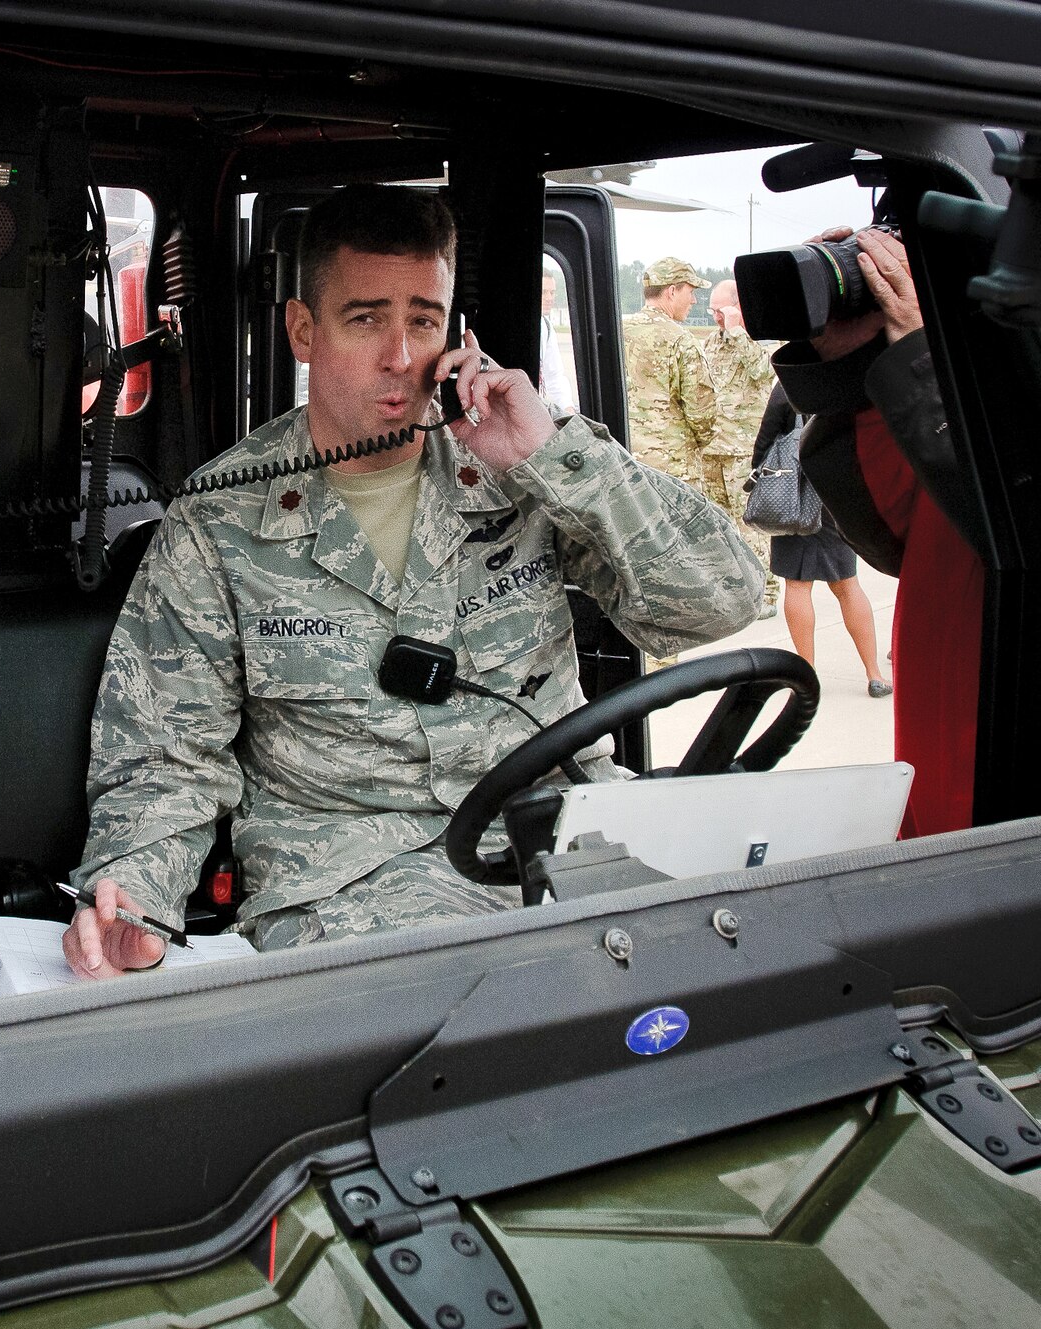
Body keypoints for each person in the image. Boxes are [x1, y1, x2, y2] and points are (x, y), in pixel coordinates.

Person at [62, 186, 762, 977]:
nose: (400, 355)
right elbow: (165, 754)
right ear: (303, 330)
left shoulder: (521, 465)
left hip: (569, 841)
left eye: (424, 321)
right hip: (356, 885)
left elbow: (722, 598)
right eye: (366, 320)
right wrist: (136, 898)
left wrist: (556, 457)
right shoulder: (219, 519)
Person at [773, 226, 986, 836]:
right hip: (936, 779)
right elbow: (889, 532)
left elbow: (1005, 527)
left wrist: (922, 360)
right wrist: (853, 363)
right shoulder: (974, 396)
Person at [750, 385, 891, 696]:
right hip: (835, 495)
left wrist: (761, 472)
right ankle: (874, 674)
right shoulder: (844, 383)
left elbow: (765, 439)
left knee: (797, 585)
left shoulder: (788, 386)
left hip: (792, 496)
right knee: (848, 584)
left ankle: (807, 676)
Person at [702, 280, 781, 615]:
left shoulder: (760, 340)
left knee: (750, 523)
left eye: (721, 310)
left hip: (742, 448)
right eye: (712, 311)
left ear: (737, 307)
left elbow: (763, 372)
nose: (716, 317)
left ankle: (766, 594)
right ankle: (734, 590)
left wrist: (737, 331)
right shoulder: (711, 341)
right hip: (713, 448)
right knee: (720, 524)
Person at [621, 257, 717, 487]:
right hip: (673, 468)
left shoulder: (618, 331)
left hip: (623, 459)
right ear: (672, 292)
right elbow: (701, 413)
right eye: (690, 292)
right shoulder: (681, 341)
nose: (694, 300)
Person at [536, 270, 579, 413]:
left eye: (552, 292)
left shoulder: (547, 327)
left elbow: (554, 376)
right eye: (543, 292)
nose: (549, 298)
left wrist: (569, 409)